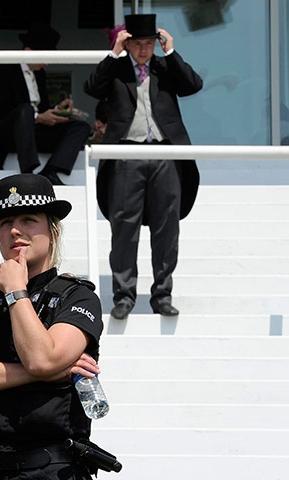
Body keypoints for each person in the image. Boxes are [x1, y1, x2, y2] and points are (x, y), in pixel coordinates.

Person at [0, 173, 104, 480]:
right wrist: (45, 373)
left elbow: (41, 358)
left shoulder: (76, 296)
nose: (15, 230)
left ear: (53, 232)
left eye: (29, 219)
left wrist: (16, 291)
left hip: (49, 471)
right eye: (4, 223)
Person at [84, 13, 202, 320]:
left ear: (156, 43)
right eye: (137, 43)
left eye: (149, 43)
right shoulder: (118, 70)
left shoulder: (165, 67)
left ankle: (162, 295)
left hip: (166, 154)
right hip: (126, 154)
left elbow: (193, 85)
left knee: (167, 227)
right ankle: (124, 296)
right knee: (124, 227)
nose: (144, 50)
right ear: (128, 43)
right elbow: (92, 88)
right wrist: (114, 54)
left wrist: (171, 51)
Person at [0, 23, 91, 185]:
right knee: (25, 110)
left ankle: (52, 170)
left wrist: (56, 110)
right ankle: (28, 171)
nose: (47, 64)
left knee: (81, 126)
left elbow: (42, 110)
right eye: (45, 58)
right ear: (28, 52)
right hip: (7, 134)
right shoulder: (1, 69)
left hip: (34, 134)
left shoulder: (39, 74)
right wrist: (38, 117)